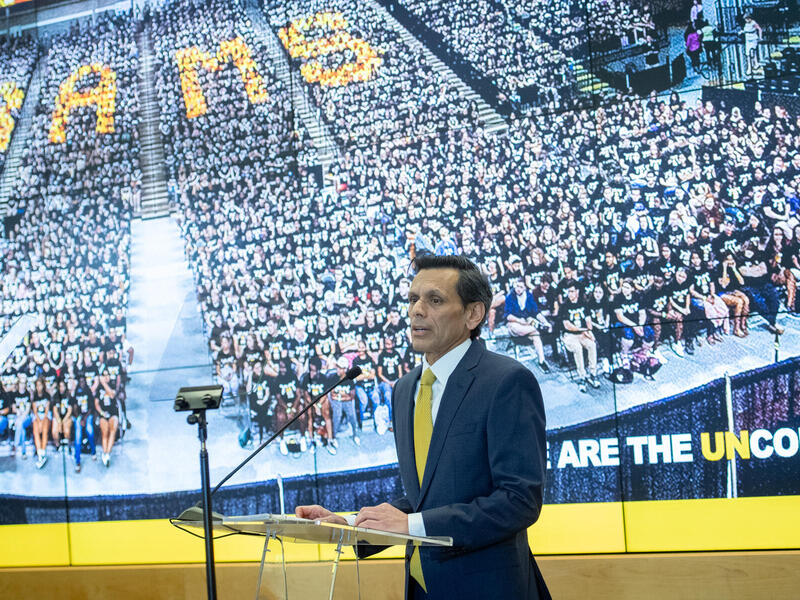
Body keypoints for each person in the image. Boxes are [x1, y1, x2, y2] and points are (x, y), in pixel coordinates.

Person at [296, 255, 550, 600]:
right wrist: (356, 528)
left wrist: (412, 526)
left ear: (473, 314)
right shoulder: (404, 389)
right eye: (413, 299)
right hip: (422, 589)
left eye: (435, 300)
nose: (417, 310)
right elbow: (426, 498)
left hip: (489, 588)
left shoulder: (507, 381)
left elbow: (518, 501)